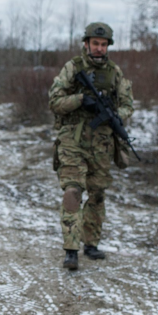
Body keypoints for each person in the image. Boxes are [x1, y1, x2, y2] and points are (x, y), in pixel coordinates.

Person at [49, 23, 134, 270]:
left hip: (102, 144)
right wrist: (80, 100)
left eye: (103, 44)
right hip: (72, 142)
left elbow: (129, 105)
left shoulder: (115, 72)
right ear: (86, 43)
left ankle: (91, 243)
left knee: (97, 195)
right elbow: (54, 100)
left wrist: (113, 114)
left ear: (108, 46)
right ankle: (71, 249)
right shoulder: (73, 68)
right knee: (73, 192)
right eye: (95, 43)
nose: (99, 48)